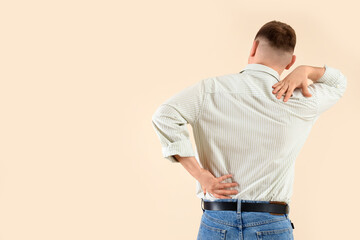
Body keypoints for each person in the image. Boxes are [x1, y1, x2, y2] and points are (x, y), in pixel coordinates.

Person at [151, 20, 347, 239]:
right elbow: (338, 83)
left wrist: (200, 175)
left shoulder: (209, 90)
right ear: (291, 62)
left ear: (254, 47)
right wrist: (307, 71)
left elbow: (164, 115)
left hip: (217, 220)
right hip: (271, 221)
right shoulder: (303, 99)